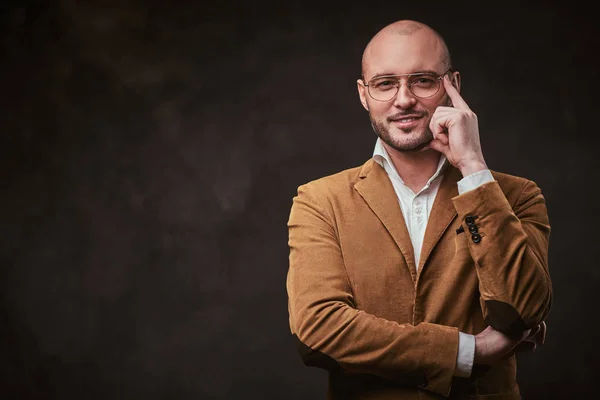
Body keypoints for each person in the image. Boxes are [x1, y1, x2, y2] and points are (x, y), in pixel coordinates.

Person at [286, 19, 552, 399]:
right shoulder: (319, 201)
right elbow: (318, 330)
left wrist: (474, 169)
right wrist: (470, 352)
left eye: (423, 80)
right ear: (364, 95)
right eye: (385, 83)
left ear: (452, 86)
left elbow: (523, 310)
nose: (404, 99)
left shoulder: (516, 196)